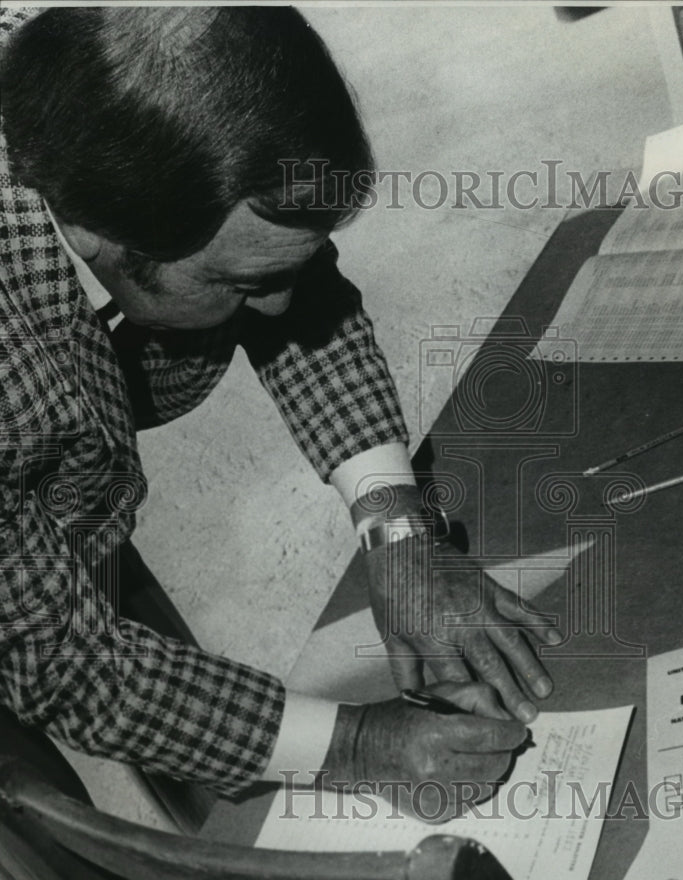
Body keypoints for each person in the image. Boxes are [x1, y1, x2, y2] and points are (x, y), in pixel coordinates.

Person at [0, 6, 558, 822]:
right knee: (44, 805)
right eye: (239, 286)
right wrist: (358, 745)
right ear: (89, 230)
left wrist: (398, 535)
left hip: (60, 451)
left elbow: (300, 296)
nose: (280, 306)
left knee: (160, 699)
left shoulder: (130, 97)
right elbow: (61, 660)